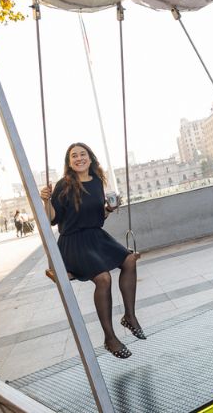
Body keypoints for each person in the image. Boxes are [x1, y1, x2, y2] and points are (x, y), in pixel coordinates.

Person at [40, 142, 143, 358]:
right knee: (103, 278)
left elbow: (97, 217)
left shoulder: (97, 182)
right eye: (74, 156)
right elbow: (51, 219)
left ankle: (130, 316)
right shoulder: (64, 185)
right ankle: (110, 337)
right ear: (69, 162)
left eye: (82, 154)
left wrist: (108, 209)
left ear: (90, 158)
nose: (79, 158)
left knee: (130, 260)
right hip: (73, 242)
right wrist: (45, 201)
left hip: (96, 236)